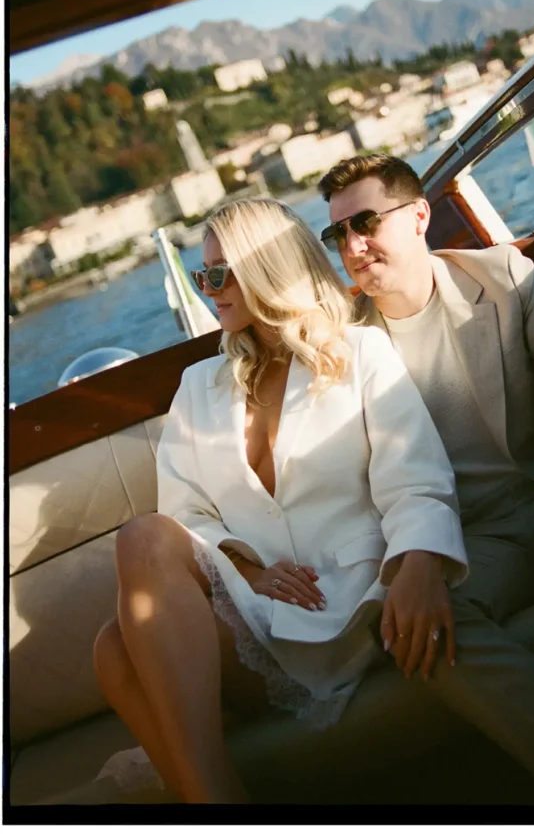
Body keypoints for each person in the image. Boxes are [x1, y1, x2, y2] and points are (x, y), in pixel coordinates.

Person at [318, 152, 534, 805]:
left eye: (365, 221)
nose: (352, 244)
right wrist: (413, 558)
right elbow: (354, 487)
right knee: (394, 618)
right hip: (470, 545)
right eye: (337, 232)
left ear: (419, 215)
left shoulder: (501, 275)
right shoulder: (340, 349)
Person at [92, 196, 468, 805]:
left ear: (268, 267)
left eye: (221, 272)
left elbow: (416, 480)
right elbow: (186, 515)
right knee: (112, 646)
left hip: (347, 601)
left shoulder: (360, 355)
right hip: (257, 605)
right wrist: (247, 569)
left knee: (137, 553)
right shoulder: (198, 386)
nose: (208, 288)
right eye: (201, 274)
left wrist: (420, 565)